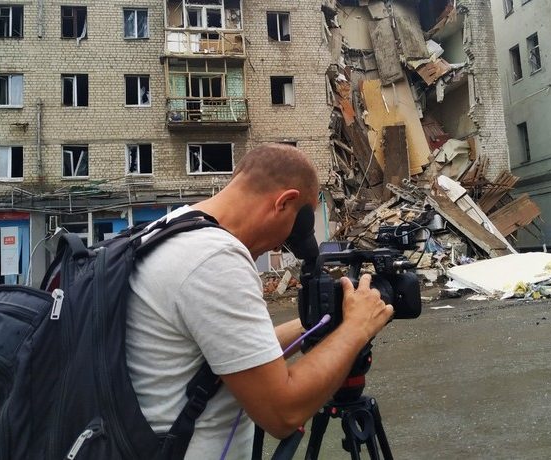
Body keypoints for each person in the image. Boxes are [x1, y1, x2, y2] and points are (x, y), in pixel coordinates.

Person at [125, 143, 394, 458]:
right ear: (284, 202)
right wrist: (357, 328)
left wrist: (328, 316)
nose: (278, 247)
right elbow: (283, 413)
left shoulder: (170, 230)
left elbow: (240, 355)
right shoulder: (214, 258)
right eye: (286, 238)